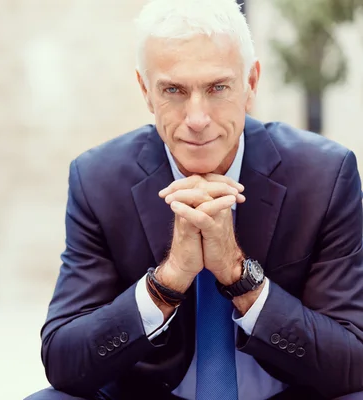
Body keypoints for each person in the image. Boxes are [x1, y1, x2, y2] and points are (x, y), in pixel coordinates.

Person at [26, 0, 363, 399]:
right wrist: (167, 282)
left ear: (251, 83)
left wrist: (240, 278)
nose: (197, 118)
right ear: (146, 92)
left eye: (217, 87)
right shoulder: (99, 179)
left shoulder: (324, 175)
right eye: (174, 90)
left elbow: (352, 360)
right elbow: (64, 361)